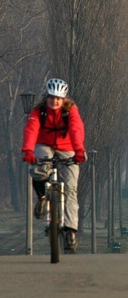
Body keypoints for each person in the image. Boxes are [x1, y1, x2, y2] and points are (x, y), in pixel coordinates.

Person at [21, 78, 86, 252]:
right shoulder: (39, 111)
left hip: (67, 147)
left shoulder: (70, 111)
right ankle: (42, 197)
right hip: (45, 144)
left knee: (71, 188)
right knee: (39, 168)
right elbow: (32, 128)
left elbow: (76, 129)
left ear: (64, 98)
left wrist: (79, 150)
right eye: (51, 97)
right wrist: (28, 149)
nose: (54, 101)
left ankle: (71, 231)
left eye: (58, 98)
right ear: (46, 97)